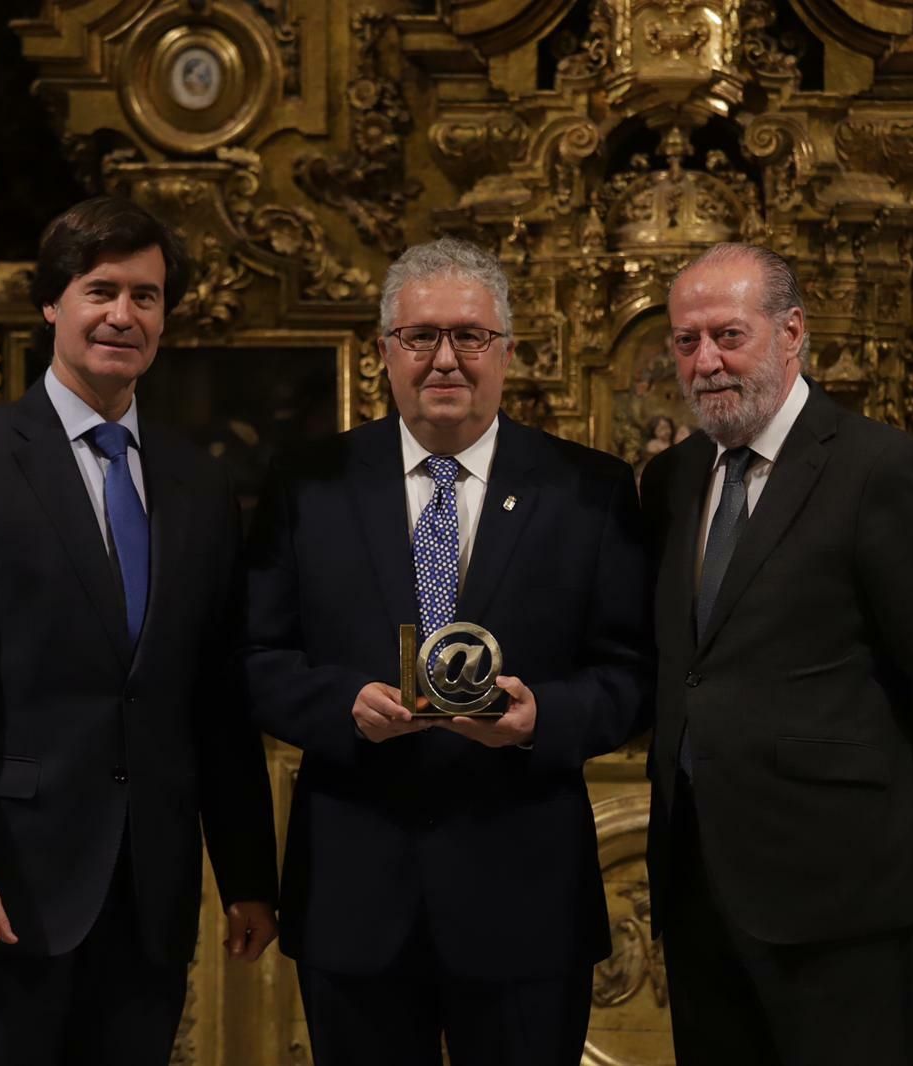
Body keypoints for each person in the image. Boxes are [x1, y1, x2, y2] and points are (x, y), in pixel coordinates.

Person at [0, 195, 279, 1065]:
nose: (122, 315)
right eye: (101, 290)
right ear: (52, 303)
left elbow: (215, 700)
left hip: (147, 901)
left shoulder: (199, 486)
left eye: (146, 296)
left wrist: (248, 877)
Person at [242, 237, 652, 1066]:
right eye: (420, 336)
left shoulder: (591, 489)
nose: (445, 359)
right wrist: (341, 708)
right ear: (385, 351)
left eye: (470, 336)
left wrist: (543, 718)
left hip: (525, 896)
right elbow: (255, 658)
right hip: (355, 894)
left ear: (506, 350)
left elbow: (634, 674)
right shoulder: (306, 483)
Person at [640, 243, 913, 1065]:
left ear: (792, 332)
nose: (706, 362)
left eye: (728, 335)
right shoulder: (674, 479)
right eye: (686, 342)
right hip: (695, 882)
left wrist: (862, 810)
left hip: (838, 893)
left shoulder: (882, 470)